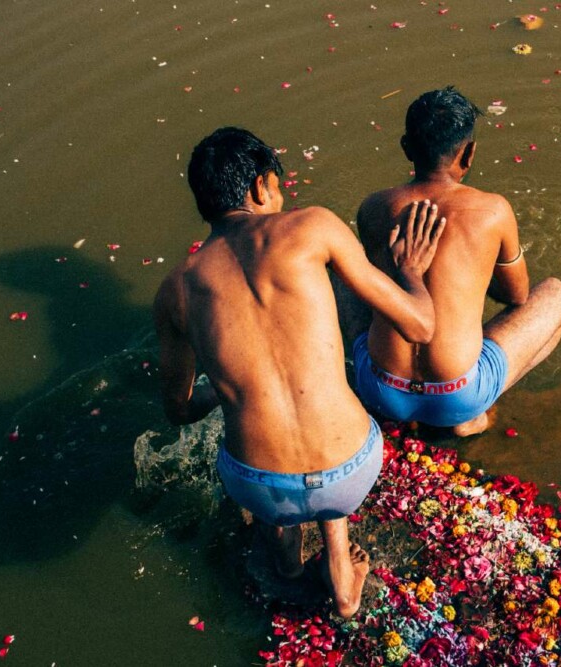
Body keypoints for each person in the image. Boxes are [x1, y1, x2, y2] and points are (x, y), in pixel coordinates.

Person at [153, 127, 445, 618]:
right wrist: (410, 272)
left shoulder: (176, 289)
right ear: (260, 187)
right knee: (330, 369)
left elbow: (178, 410)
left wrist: (223, 390)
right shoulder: (314, 227)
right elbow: (420, 325)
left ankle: (287, 558)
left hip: (259, 488)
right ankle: (340, 567)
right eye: (278, 186)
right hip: (351, 472)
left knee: (258, 425)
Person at [353, 87, 561, 437]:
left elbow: (377, 293)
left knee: (350, 275)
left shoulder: (373, 208)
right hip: (457, 396)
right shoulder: (493, 210)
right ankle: (472, 415)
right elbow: (517, 296)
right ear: (469, 154)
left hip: (381, 388)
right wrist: (473, 269)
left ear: (406, 149)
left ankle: (406, 410)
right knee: (557, 295)